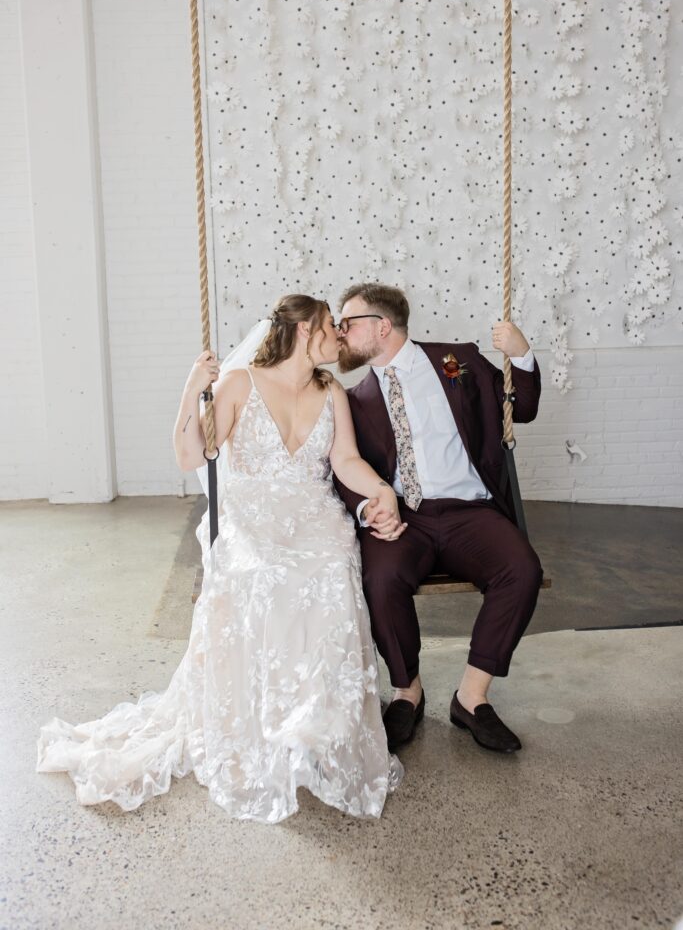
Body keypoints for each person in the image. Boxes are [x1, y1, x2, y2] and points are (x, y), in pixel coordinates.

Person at [36, 295, 404, 823]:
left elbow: (345, 461)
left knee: (330, 566)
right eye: (331, 328)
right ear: (304, 331)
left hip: (313, 513)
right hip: (252, 515)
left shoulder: (332, 392)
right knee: (267, 572)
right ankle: (266, 725)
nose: (340, 338)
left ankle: (316, 727)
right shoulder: (239, 384)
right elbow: (192, 456)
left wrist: (381, 492)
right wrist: (192, 390)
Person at [333, 283, 544, 754]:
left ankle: (471, 697)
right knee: (380, 578)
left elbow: (521, 409)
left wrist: (523, 354)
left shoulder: (457, 361)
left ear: (381, 326)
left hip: (470, 511)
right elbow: (344, 465)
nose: (339, 332)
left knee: (522, 570)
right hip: (406, 515)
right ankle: (408, 690)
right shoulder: (353, 398)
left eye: (347, 323)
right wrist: (370, 508)